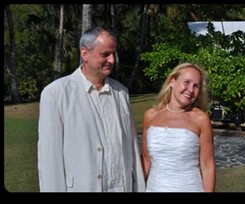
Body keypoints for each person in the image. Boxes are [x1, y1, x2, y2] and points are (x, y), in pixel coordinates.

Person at [37, 27, 145, 192]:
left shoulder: (121, 92)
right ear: (84, 54)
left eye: (113, 53)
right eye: (105, 54)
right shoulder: (56, 93)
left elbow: (131, 148)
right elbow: (49, 160)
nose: (112, 60)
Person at [142, 63, 215, 192]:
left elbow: (207, 166)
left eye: (196, 86)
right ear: (172, 81)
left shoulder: (201, 119)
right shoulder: (150, 115)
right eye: (186, 82)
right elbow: (146, 160)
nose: (191, 90)